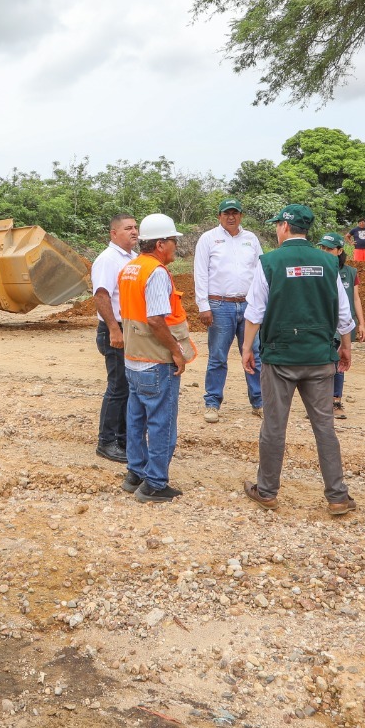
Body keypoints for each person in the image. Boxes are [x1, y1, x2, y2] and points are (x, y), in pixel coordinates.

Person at [240, 205, 358, 517]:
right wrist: (346, 347)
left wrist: (247, 347)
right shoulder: (329, 262)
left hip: (280, 358)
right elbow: (343, 314)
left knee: (274, 426)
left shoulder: (269, 262)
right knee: (324, 427)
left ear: (284, 226)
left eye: (277, 224)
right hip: (319, 356)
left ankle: (267, 491)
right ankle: (337, 496)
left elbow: (255, 311)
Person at [117, 213, 196, 503]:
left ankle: (135, 474)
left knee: (136, 419)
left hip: (133, 359)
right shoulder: (156, 272)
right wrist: (176, 351)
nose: (176, 246)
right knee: (161, 423)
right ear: (160, 244)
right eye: (173, 240)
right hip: (155, 361)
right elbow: (155, 319)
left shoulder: (130, 268)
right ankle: (154, 484)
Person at [194, 198, 264, 423]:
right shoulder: (208, 239)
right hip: (219, 305)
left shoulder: (251, 239)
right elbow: (200, 273)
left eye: (235, 213)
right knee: (217, 357)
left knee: (254, 354)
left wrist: (261, 303)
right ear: (219, 216)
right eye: (226, 213)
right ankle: (212, 403)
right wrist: (203, 305)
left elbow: (260, 271)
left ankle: (259, 402)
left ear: (241, 215)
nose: (231, 217)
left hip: (249, 305)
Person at [89, 214, 139, 462]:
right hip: (115, 329)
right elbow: (101, 296)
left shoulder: (133, 258)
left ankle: (123, 439)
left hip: (130, 329)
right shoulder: (108, 259)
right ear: (114, 233)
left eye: (136, 227)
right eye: (128, 228)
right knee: (118, 387)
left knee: (128, 387)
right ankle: (106, 442)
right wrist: (114, 330)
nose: (134, 231)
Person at [317, 233, 365, 419]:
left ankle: (335, 401)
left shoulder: (350, 272)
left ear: (339, 251)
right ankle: (320, 402)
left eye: (329, 249)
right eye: (322, 248)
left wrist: (361, 323)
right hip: (322, 323)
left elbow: (356, 298)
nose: (325, 252)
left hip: (342, 325)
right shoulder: (316, 270)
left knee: (338, 362)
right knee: (320, 362)